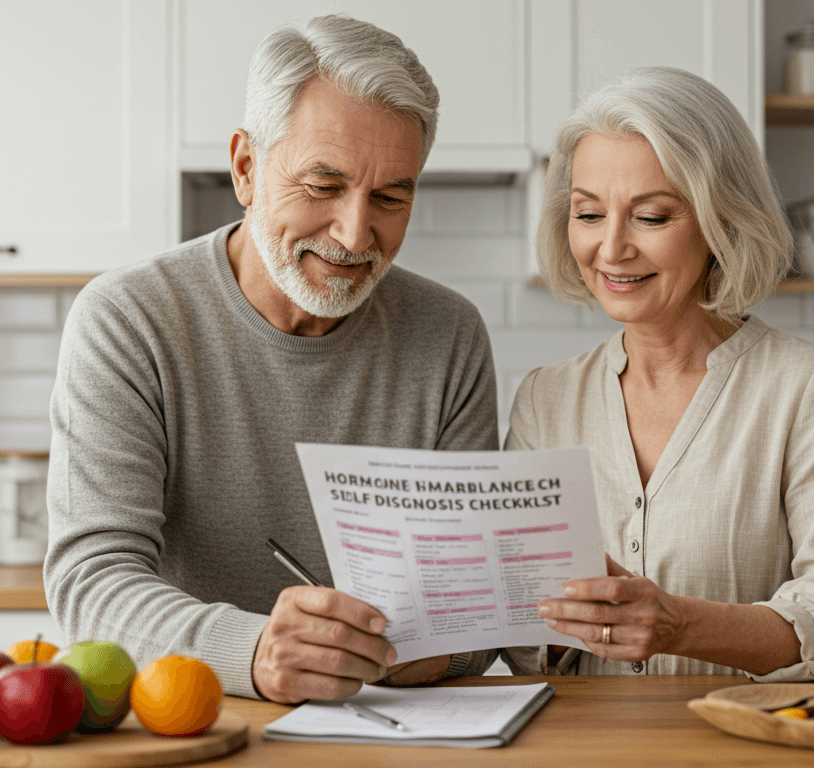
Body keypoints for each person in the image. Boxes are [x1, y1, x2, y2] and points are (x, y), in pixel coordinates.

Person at [44, 15, 499, 704]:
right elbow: (89, 582)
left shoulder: (450, 335)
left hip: (393, 729)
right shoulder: (127, 318)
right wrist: (253, 652)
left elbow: (474, 608)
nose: (353, 233)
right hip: (198, 720)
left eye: (390, 197)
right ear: (247, 168)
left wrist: (435, 646)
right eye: (323, 185)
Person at [504, 67, 814, 680]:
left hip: (742, 744)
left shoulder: (808, 385)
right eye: (588, 215)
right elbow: (520, 628)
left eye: (652, 217)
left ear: (722, 222)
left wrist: (678, 625)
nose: (611, 249)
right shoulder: (546, 398)